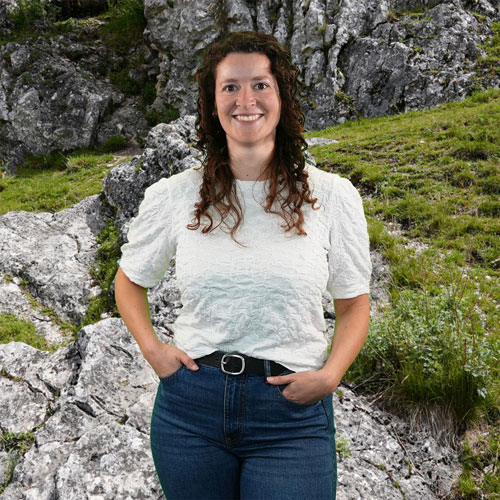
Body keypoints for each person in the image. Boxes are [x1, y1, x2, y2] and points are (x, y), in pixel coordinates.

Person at [114, 31, 371, 500]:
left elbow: (354, 304)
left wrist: (331, 375)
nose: (245, 100)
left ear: (281, 96)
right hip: (191, 412)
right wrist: (153, 350)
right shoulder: (174, 195)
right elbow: (130, 283)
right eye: (230, 87)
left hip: (290, 415)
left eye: (260, 85)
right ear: (213, 104)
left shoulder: (333, 196)